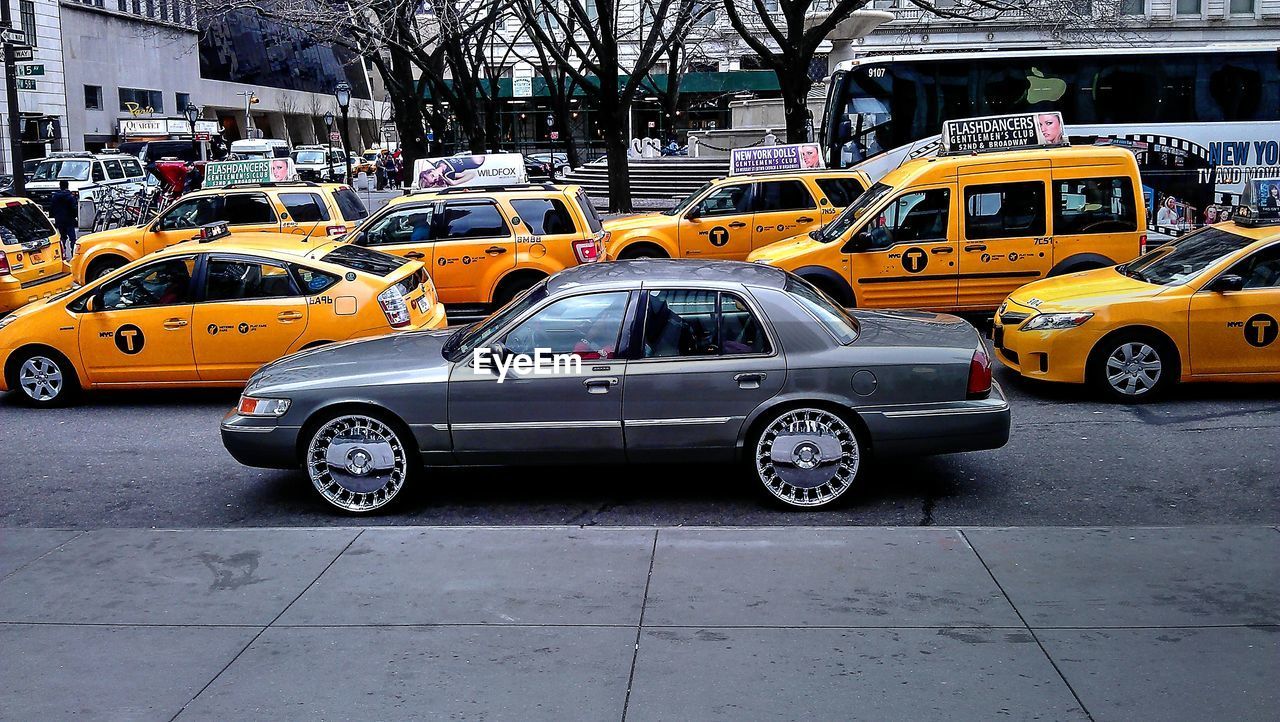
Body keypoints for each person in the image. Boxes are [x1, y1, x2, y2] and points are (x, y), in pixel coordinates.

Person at [49, 180, 79, 259]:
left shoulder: (55, 196)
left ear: (60, 186)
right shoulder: (70, 197)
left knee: (62, 237)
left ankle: (63, 252)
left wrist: (53, 215)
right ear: (67, 186)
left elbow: (51, 208)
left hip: (59, 219)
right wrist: (75, 216)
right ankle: (73, 252)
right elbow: (74, 208)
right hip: (69, 220)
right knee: (72, 238)